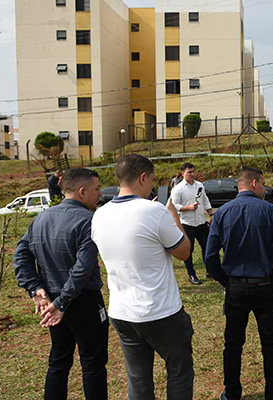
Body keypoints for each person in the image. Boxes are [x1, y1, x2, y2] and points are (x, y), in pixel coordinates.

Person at [91, 154, 193, 400]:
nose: (152, 186)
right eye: (152, 180)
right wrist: (173, 216)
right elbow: (183, 251)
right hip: (161, 312)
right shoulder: (154, 211)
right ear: (143, 177)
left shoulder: (99, 215)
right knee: (179, 371)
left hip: (122, 313)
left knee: (138, 379)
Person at [13, 167, 108, 400]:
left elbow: (20, 255)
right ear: (82, 192)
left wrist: (36, 289)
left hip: (53, 304)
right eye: (97, 189)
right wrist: (61, 301)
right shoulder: (89, 221)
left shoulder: (40, 218)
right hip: (81, 303)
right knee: (93, 365)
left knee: (58, 362)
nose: (101, 193)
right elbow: (82, 268)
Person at [205, 167, 273, 400]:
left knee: (233, 344)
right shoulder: (271, 212)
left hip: (235, 287)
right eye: (263, 184)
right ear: (254, 183)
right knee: (270, 343)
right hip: (265, 285)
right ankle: (272, 393)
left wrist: (225, 281)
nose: (264, 189)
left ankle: (232, 393)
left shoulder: (222, 213)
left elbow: (210, 257)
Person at [171, 162, 214, 285]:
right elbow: (173, 206)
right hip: (187, 224)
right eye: (189, 172)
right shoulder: (177, 189)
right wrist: (188, 208)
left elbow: (205, 199)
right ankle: (191, 274)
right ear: (183, 173)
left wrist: (211, 214)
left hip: (200, 222)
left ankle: (209, 271)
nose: (192, 174)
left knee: (207, 247)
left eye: (193, 171)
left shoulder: (199, 185)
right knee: (188, 251)